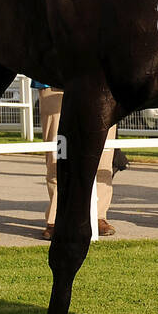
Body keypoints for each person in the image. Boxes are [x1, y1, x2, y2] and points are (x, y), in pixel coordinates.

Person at [39, 85, 118, 239]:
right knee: (59, 154)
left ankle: (98, 215)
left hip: (103, 84)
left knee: (103, 155)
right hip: (54, 81)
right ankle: (56, 218)